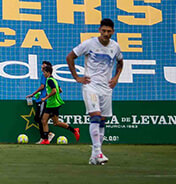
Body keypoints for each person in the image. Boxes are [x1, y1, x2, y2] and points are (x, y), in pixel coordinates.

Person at [66, 18, 123, 166]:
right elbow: (70, 57)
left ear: (113, 32)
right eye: (103, 31)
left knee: (102, 121)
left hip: (106, 88)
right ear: (99, 30)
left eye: (108, 31)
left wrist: (116, 78)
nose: (106, 34)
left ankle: (94, 157)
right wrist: (77, 77)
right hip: (90, 86)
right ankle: (98, 152)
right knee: (96, 117)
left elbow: (120, 62)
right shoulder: (89, 43)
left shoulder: (115, 46)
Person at [28, 60, 79, 144]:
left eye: (44, 72)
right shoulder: (53, 80)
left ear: (48, 72)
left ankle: (46, 139)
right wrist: (50, 94)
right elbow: (60, 90)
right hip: (53, 104)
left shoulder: (49, 80)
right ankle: (73, 130)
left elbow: (54, 91)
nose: (43, 74)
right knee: (53, 122)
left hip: (52, 104)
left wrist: (46, 97)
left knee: (45, 121)